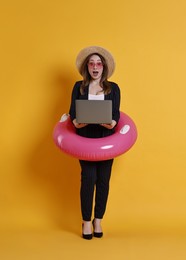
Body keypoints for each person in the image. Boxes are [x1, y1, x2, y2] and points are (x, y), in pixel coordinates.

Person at [68, 46, 120, 240]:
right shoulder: (78, 87)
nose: (95, 67)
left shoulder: (113, 88)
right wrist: (76, 122)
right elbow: (73, 111)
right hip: (86, 138)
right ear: (86, 67)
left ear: (103, 67)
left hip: (106, 139)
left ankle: (98, 219)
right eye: (91, 63)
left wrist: (111, 123)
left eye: (99, 63)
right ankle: (86, 221)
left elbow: (116, 113)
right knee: (88, 179)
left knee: (103, 181)